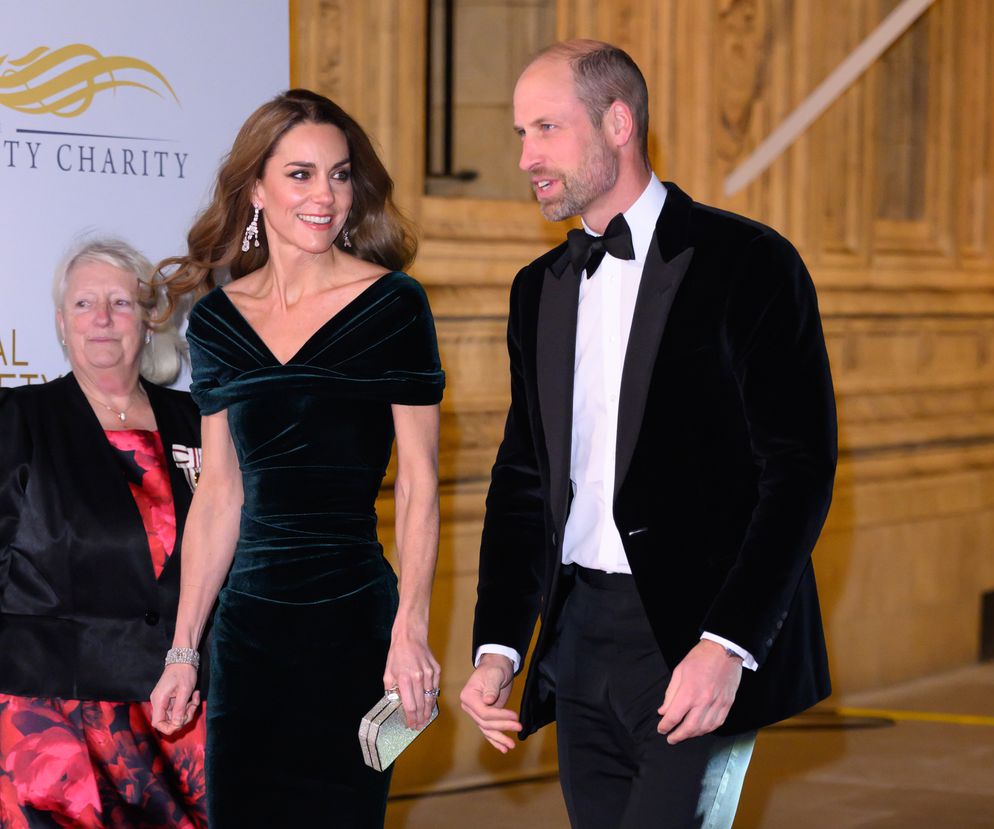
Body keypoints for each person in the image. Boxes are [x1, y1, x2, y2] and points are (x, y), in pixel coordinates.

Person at [459, 40, 837, 829]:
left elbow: (798, 469)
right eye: (521, 133)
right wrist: (499, 643)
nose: (527, 156)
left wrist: (726, 644)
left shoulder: (751, 263)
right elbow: (525, 475)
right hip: (580, 639)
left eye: (547, 129)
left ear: (618, 122)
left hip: (694, 641)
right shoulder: (538, 290)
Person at [148, 89, 445, 828]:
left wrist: (410, 628)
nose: (326, 196)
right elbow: (218, 496)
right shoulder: (216, 321)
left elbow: (419, 486)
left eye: (340, 175)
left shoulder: (394, 306)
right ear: (257, 187)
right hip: (249, 635)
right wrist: (184, 650)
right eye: (302, 175)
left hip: (353, 627)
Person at [0, 239, 206, 828]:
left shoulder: (199, 420)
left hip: (181, 710)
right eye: (84, 303)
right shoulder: (19, 418)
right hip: (54, 722)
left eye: (121, 301)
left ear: (148, 319)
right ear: (62, 324)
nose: (103, 318)